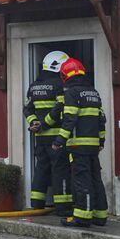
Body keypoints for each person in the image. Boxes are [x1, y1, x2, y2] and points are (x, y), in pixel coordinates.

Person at [51, 58, 108, 228]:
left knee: (82, 181)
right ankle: (100, 215)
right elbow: (101, 120)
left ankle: (83, 217)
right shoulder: (93, 92)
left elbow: (70, 119)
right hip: (93, 146)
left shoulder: (71, 93)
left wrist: (59, 141)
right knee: (95, 179)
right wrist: (101, 141)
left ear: (64, 76)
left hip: (77, 146)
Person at [23, 50, 72, 216]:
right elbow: (60, 108)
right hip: (56, 137)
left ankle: (37, 203)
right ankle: (63, 207)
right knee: (60, 170)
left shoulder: (34, 86)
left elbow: (27, 109)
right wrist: (44, 124)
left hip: (40, 139)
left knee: (41, 169)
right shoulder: (60, 85)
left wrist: (34, 123)